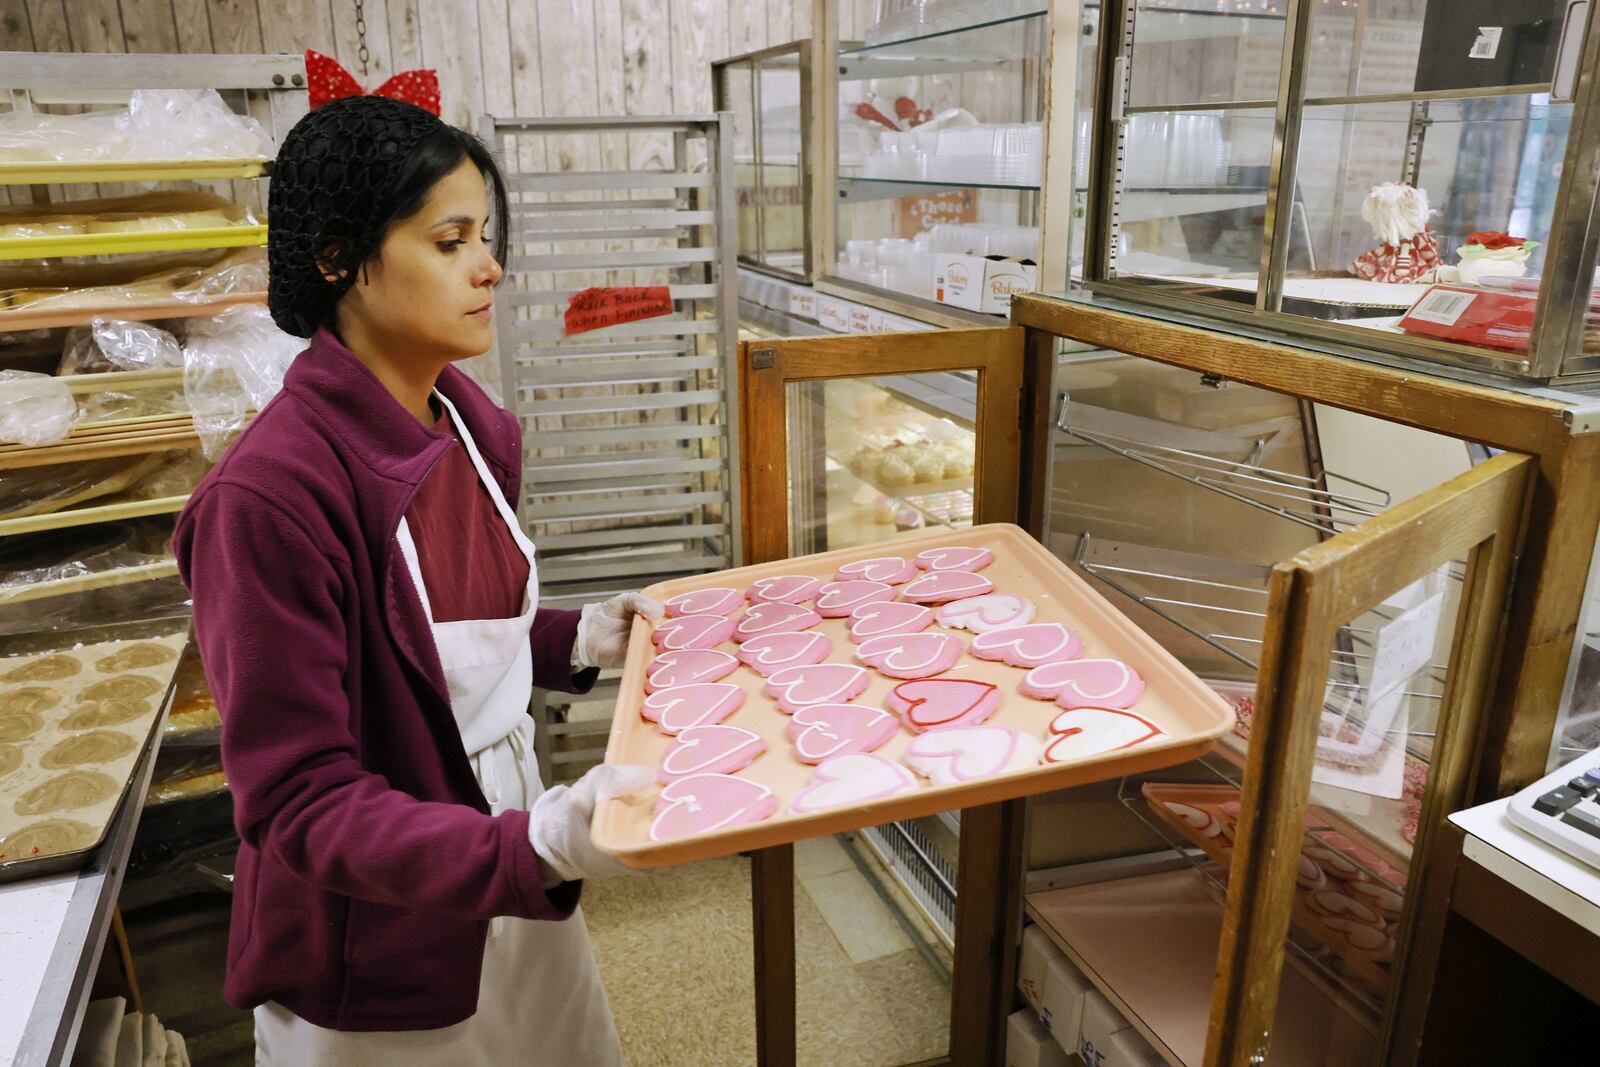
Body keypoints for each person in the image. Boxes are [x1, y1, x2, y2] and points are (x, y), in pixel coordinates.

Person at [174, 95, 658, 1065]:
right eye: (449, 241)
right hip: (382, 921)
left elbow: (430, 645)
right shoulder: (269, 498)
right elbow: (299, 799)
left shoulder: (466, 426)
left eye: (484, 235)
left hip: (507, 858)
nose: (490, 267)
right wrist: (534, 847)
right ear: (334, 258)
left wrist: (577, 637)